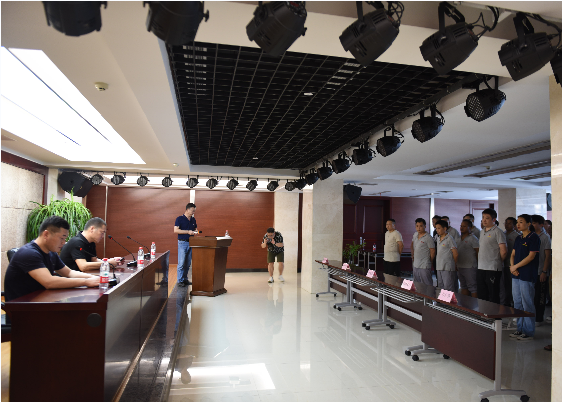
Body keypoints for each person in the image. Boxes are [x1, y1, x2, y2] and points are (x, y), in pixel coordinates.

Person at [4, 216, 99, 301]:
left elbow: (69, 273)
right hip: (22, 308)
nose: (63, 242)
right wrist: (86, 281)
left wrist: (94, 278)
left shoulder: (51, 252)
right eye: (61, 238)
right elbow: (49, 282)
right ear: (46, 234)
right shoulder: (29, 253)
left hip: (42, 300)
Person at [509, 214, 540, 341]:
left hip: (527, 274)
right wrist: (513, 267)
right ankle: (520, 328)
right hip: (516, 274)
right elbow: (512, 254)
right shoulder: (518, 238)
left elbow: (531, 256)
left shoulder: (534, 237)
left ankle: (528, 332)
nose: (518, 224)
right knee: (517, 302)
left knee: (527, 302)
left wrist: (515, 266)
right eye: (517, 222)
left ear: (529, 224)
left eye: (521, 222)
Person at [477, 208, 507, 304]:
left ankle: (495, 313)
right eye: (483, 217)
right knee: (482, 293)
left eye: (487, 218)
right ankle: (483, 312)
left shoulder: (498, 231)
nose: (484, 220)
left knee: (493, 294)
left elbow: (503, 251)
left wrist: (497, 262)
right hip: (481, 267)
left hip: (492, 268)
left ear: (494, 219)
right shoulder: (482, 231)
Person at [531, 214, 551, 326]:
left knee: (540, 296)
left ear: (541, 225)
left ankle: (539, 318)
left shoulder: (545, 237)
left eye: (534, 223)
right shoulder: (530, 235)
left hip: (541, 271)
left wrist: (544, 271)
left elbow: (547, 256)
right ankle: (530, 316)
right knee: (531, 296)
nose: (532, 225)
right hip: (531, 271)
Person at [174, 203, 198, 287]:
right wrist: (188, 232)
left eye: (194, 211)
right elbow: (176, 230)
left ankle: (185, 279)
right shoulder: (179, 219)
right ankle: (180, 280)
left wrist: (195, 231)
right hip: (182, 243)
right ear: (187, 210)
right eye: (192, 211)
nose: (193, 212)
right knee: (181, 263)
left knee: (188, 263)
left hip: (191, 242)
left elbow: (195, 229)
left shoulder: (193, 219)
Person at [434, 220, 458, 292]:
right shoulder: (438, 238)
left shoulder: (449, 238)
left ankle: (450, 299)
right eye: (436, 228)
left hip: (447, 267)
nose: (437, 230)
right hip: (439, 266)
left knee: (448, 287)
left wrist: (455, 265)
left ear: (445, 228)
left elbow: (455, 253)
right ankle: (442, 299)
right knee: (440, 286)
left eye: (439, 228)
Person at [457, 219, 479, 297]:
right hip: (460, 266)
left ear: (470, 228)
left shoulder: (473, 238)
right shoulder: (458, 239)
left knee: (473, 287)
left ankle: (474, 304)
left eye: (464, 226)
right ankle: (465, 303)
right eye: (461, 226)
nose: (462, 228)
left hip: (470, 267)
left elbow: (478, 252)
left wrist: (478, 265)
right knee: (463, 286)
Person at [411, 218, 435, 286]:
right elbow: (412, 244)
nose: (419, 228)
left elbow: (433, 251)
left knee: (427, 284)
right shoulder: (415, 234)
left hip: (424, 265)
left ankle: (429, 293)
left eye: (421, 226)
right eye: (417, 226)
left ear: (425, 226)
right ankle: (419, 293)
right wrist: (412, 254)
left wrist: (430, 261)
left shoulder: (428, 237)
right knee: (417, 283)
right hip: (416, 264)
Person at [500, 217, 519, 307]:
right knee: (504, 284)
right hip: (502, 263)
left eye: (509, 223)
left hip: (512, 264)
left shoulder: (517, 236)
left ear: (514, 225)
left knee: (512, 285)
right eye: (506, 223)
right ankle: (506, 302)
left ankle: (514, 302)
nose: (507, 225)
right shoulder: (502, 234)